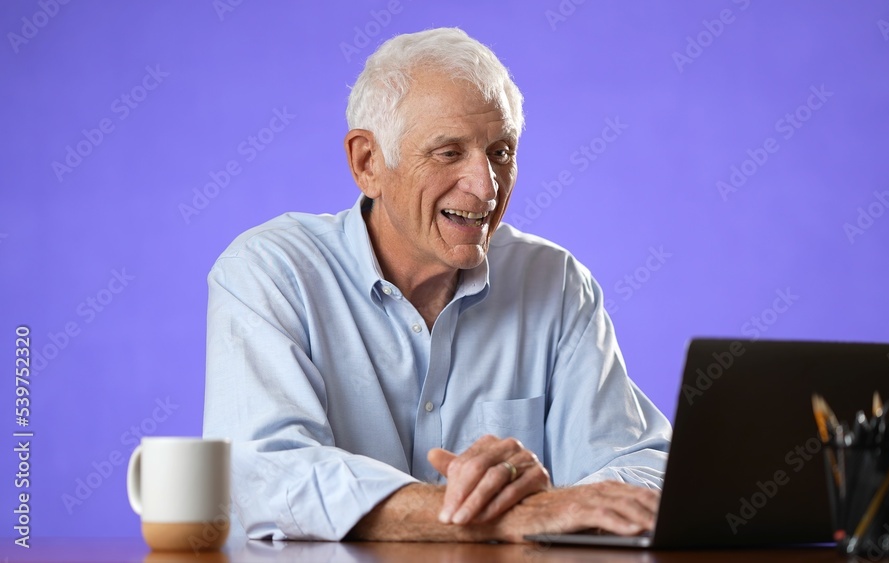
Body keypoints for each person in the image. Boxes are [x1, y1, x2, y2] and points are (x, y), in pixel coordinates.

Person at [203, 27, 671, 543]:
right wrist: (511, 514)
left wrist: (564, 505)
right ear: (367, 163)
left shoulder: (555, 283)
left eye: (501, 152)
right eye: (449, 153)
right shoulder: (271, 271)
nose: (486, 186)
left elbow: (644, 465)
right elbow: (271, 477)